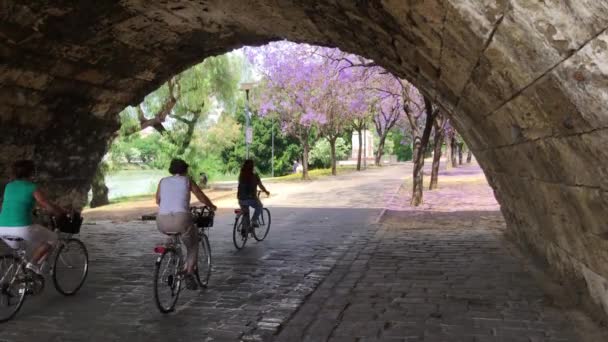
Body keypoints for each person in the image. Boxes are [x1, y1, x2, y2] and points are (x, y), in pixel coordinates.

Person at [155, 158, 216, 290]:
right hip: (181, 219)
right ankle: (188, 273)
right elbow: (201, 196)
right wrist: (212, 206)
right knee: (193, 245)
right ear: (185, 170)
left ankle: (172, 253)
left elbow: (158, 200)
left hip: (161, 221)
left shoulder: (163, 181)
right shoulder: (187, 181)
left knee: (173, 235)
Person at [0, 160, 66, 274]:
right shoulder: (32, 187)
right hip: (22, 228)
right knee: (53, 238)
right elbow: (45, 204)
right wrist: (59, 212)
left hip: (2, 228)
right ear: (31, 173)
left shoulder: (9, 186)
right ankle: (33, 264)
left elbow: (15, 203)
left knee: (26, 247)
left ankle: (23, 278)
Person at [237, 160, 269, 232]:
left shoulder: (241, 174)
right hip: (251, 198)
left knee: (245, 211)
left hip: (240, 198)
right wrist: (266, 192)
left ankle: (244, 229)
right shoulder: (254, 175)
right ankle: (254, 220)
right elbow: (260, 186)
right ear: (252, 166)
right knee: (260, 206)